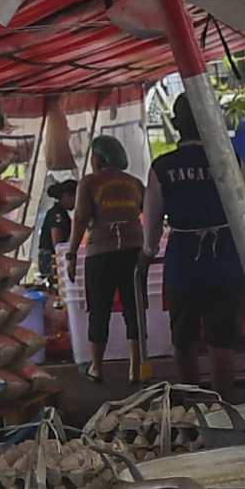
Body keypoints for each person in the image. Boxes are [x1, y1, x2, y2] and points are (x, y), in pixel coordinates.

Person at [145, 92, 245, 398]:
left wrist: (148, 252)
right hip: (225, 258)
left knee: (184, 338)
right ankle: (224, 404)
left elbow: (151, 219)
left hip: (183, 262)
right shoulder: (228, 159)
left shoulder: (162, 167)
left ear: (176, 124)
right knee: (222, 339)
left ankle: (191, 403)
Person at [71, 132, 152, 382]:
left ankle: (96, 368)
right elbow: (150, 212)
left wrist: (71, 254)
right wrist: (148, 248)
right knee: (134, 309)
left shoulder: (88, 183)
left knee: (99, 310)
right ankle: (137, 370)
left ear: (98, 158)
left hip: (101, 254)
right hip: (134, 252)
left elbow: (80, 218)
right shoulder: (135, 183)